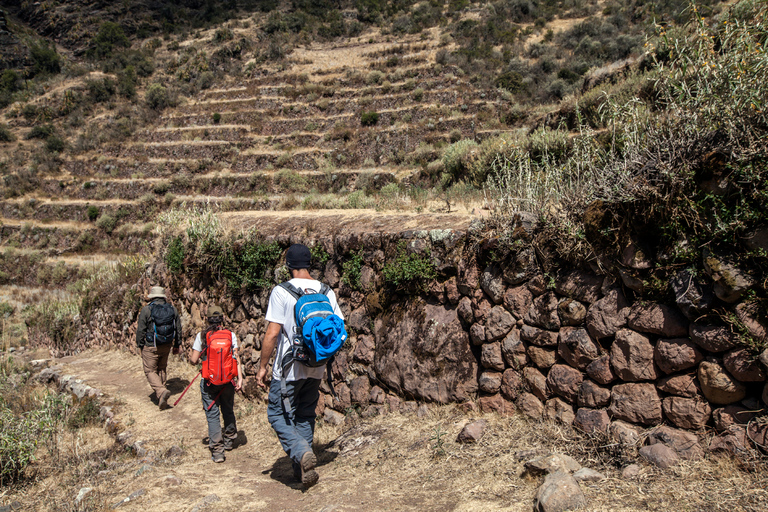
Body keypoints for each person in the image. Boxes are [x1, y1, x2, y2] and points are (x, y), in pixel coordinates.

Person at [256, 243, 344, 489]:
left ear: (289, 266)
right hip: (316, 365)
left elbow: (272, 334)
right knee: (305, 415)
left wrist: (263, 366)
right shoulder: (327, 291)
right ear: (308, 264)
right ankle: (302, 471)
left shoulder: (281, 291)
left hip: (288, 369)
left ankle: (301, 452)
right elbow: (339, 329)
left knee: (277, 414)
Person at [189, 305, 244, 463]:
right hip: (228, 380)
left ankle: (218, 451)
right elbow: (235, 358)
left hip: (208, 382)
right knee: (228, 409)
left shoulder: (202, 336)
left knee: (212, 415)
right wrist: (239, 378)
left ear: (207, 319)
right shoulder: (230, 335)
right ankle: (229, 439)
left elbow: (193, 360)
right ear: (222, 318)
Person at [136, 286, 182, 410]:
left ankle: (161, 391)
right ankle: (161, 397)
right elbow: (178, 327)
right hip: (166, 344)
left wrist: (140, 345)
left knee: (150, 371)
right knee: (161, 368)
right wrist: (177, 344)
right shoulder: (172, 309)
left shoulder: (147, 310)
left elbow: (141, 329)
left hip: (151, 345)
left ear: (152, 296)